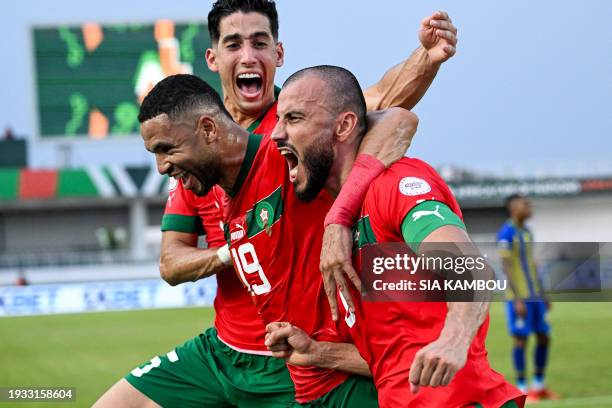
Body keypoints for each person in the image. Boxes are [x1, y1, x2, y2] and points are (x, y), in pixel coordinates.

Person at [93, 1, 459, 407]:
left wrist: (426, 57)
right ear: (213, 58)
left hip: (297, 356)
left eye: (259, 43)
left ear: (278, 54)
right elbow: (170, 261)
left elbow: (385, 107)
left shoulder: (301, 131)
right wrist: (231, 254)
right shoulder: (194, 154)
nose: (248, 55)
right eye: (234, 44)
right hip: (224, 350)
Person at [138, 74, 417, 405]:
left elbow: (399, 119)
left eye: (166, 149)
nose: (160, 167)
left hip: (358, 387)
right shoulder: (223, 193)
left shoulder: (284, 157)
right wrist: (319, 353)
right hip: (313, 379)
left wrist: (338, 219)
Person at [267, 65, 525, 407]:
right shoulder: (338, 219)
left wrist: (454, 339)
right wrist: (319, 353)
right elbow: (394, 360)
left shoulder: (397, 184)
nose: (276, 134)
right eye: (279, 119)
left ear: (343, 127)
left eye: (294, 119)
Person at [497, 194, 558, 402]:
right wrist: (517, 299)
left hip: (535, 297)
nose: (530, 207)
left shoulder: (527, 232)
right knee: (521, 340)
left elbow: (532, 264)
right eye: (526, 204)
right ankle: (522, 389)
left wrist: (543, 294)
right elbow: (506, 267)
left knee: (544, 337)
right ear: (514, 208)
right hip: (519, 298)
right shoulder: (507, 233)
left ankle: (539, 385)